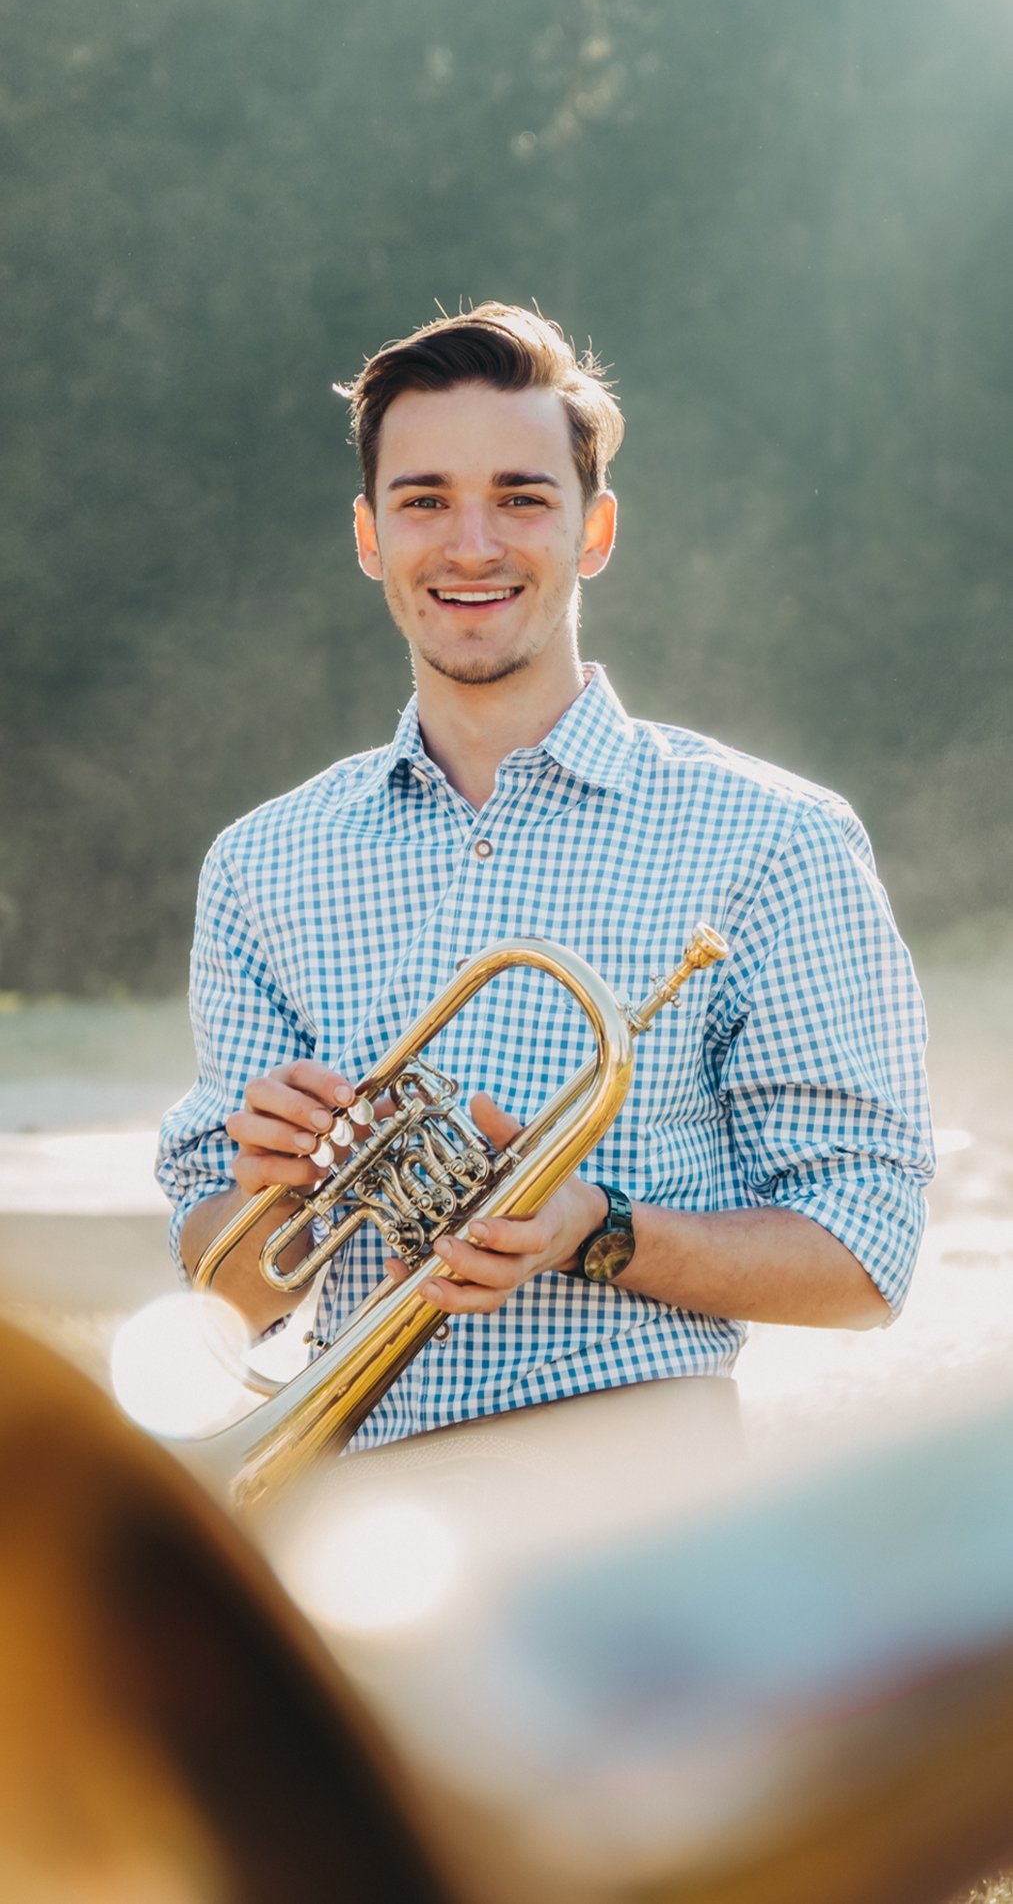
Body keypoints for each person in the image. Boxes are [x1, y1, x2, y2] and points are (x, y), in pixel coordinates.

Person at [157, 302, 934, 1450]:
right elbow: (224, 1286)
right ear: (370, 536)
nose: (471, 544)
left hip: (634, 1487)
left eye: (521, 497)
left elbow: (866, 1255)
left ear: (594, 531)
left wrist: (595, 1230)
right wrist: (267, 1184)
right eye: (424, 501)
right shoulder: (264, 861)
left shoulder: (773, 835)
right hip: (350, 1502)